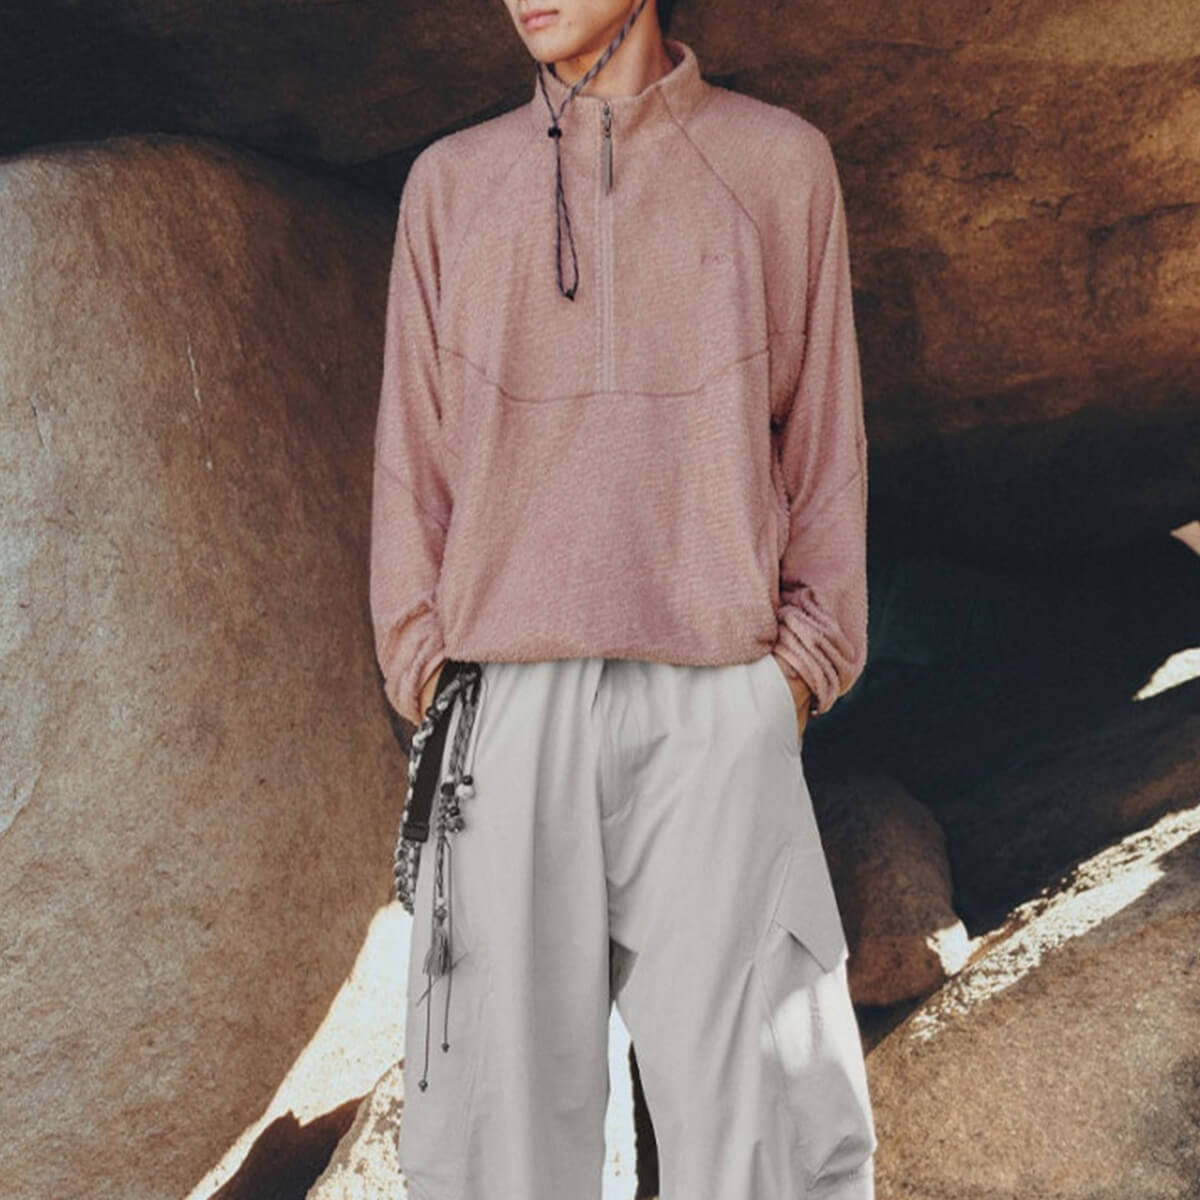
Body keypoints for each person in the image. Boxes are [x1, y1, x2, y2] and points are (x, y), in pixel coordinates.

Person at [369, 0, 879, 1195]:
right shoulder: (449, 187)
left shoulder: (778, 165)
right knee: (490, 1159)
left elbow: (825, 455)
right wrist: (432, 675)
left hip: (718, 704)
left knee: (771, 1145)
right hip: (500, 718)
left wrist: (790, 682)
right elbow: (413, 472)